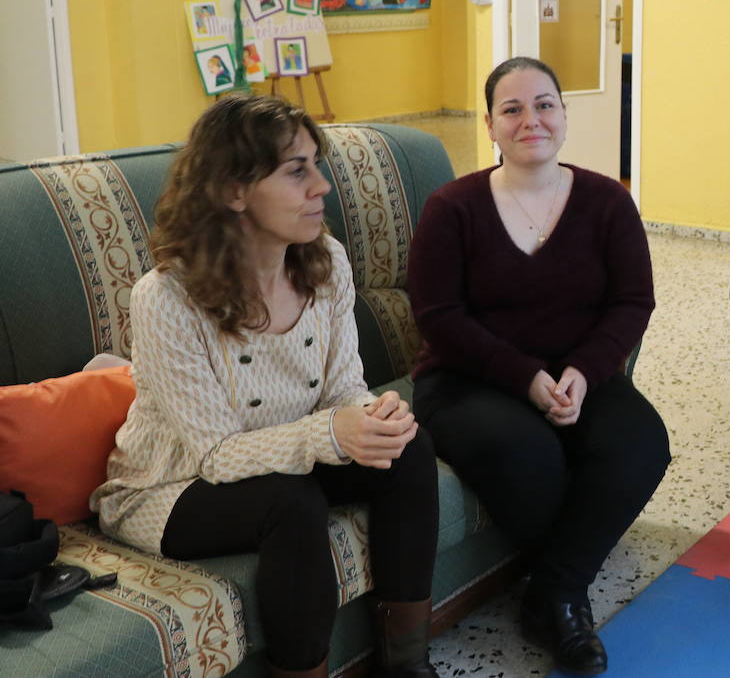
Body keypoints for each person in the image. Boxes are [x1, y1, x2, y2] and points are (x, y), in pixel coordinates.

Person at [91, 95, 440, 678]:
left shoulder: (325, 259)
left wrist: (370, 416)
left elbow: (343, 386)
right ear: (234, 191)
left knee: (409, 450)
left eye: (316, 165)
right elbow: (216, 454)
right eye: (296, 171)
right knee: (290, 501)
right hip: (173, 485)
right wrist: (334, 431)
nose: (321, 187)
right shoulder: (167, 298)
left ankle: (406, 665)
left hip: (285, 455)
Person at [408, 57, 670, 676]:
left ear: (564, 115)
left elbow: (633, 302)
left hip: (579, 373)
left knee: (642, 445)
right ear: (491, 125)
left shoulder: (607, 201)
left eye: (545, 104)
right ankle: (567, 599)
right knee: (529, 453)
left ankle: (551, 591)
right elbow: (439, 316)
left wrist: (584, 370)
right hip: (466, 378)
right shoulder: (452, 208)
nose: (532, 120)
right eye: (513, 109)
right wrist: (526, 377)